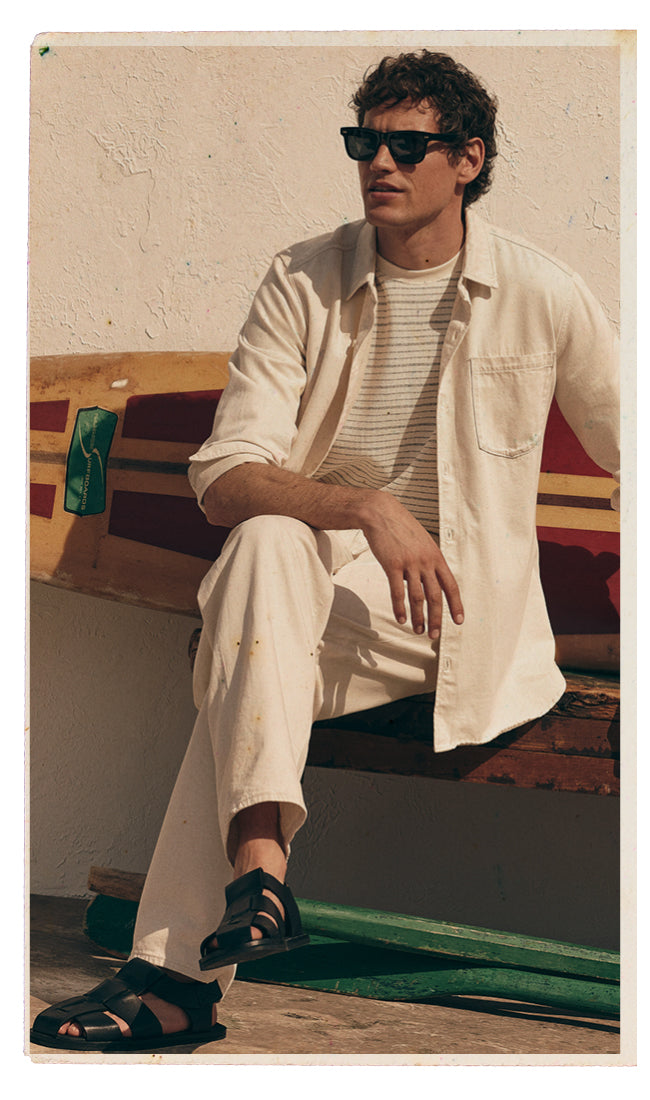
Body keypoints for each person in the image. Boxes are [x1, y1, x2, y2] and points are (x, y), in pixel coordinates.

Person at [31, 49, 619, 1052]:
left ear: (467, 160)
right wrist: (366, 508)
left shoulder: (540, 292)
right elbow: (224, 474)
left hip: (458, 622)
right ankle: (259, 873)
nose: (378, 163)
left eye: (407, 146)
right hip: (316, 601)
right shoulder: (301, 280)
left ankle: (176, 978)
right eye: (364, 143)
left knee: (239, 670)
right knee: (265, 542)